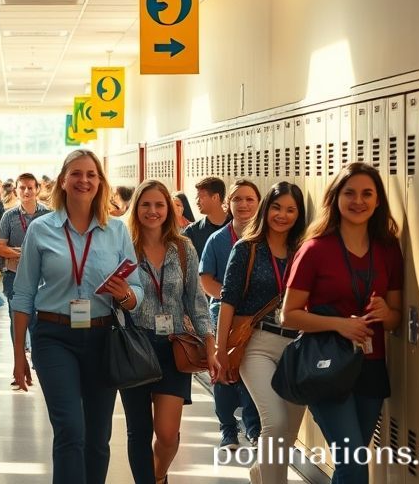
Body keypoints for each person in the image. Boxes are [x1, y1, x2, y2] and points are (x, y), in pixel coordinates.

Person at [11, 149, 144, 484]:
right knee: (70, 429)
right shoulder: (41, 230)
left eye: (91, 174)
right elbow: (23, 294)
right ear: (63, 180)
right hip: (54, 337)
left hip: (102, 338)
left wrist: (125, 295)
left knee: (97, 438)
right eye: (76, 174)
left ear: (100, 182)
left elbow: (136, 289)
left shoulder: (116, 231)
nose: (84, 180)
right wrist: (18, 356)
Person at [282, 163, 403, 484]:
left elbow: (395, 318)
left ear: (378, 201)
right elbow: (289, 314)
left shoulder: (388, 249)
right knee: (353, 465)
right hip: (326, 365)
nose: (358, 201)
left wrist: (383, 311)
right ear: (335, 198)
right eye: (349, 193)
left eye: (367, 193)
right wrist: (339, 324)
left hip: (371, 364)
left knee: (353, 461)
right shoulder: (315, 249)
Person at [120, 179, 219, 484]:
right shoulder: (125, 247)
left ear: (170, 208)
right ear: (136, 208)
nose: (153, 211)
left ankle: (159, 474)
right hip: (134, 345)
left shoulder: (183, 247)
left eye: (159, 205)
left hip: (174, 347)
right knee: (139, 431)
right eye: (146, 204)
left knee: (166, 432)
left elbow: (196, 302)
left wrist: (210, 345)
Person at [214, 181, 307, 484]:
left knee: (288, 434)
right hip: (257, 344)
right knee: (274, 422)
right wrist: (220, 350)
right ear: (267, 208)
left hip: (297, 347)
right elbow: (228, 301)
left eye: (291, 209)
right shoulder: (247, 247)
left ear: (299, 214)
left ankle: (259, 473)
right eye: (277, 207)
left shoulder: (302, 250)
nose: (283, 215)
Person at [200, 180, 262, 449]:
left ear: (259, 203)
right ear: (228, 205)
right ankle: (227, 428)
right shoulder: (218, 240)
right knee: (223, 370)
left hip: (257, 319)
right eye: (238, 199)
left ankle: (253, 426)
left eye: (250, 199)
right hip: (223, 315)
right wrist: (230, 298)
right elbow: (206, 280)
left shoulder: (266, 239)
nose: (244, 205)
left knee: (252, 371)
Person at [0, 172, 50, 362]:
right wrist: (24, 253)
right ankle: (19, 359)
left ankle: (38, 359)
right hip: (14, 276)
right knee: (17, 319)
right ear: (16, 191)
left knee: (38, 320)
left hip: (43, 278)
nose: (26, 191)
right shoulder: (8, 216)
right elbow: (0, 248)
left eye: (30, 187)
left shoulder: (48, 215)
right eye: (22, 188)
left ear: (37, 189)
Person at [183, 177, 231, 260]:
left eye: (201, 197)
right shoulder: (192, 232)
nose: (197, 201)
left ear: (215, 197)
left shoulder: (236, 226)